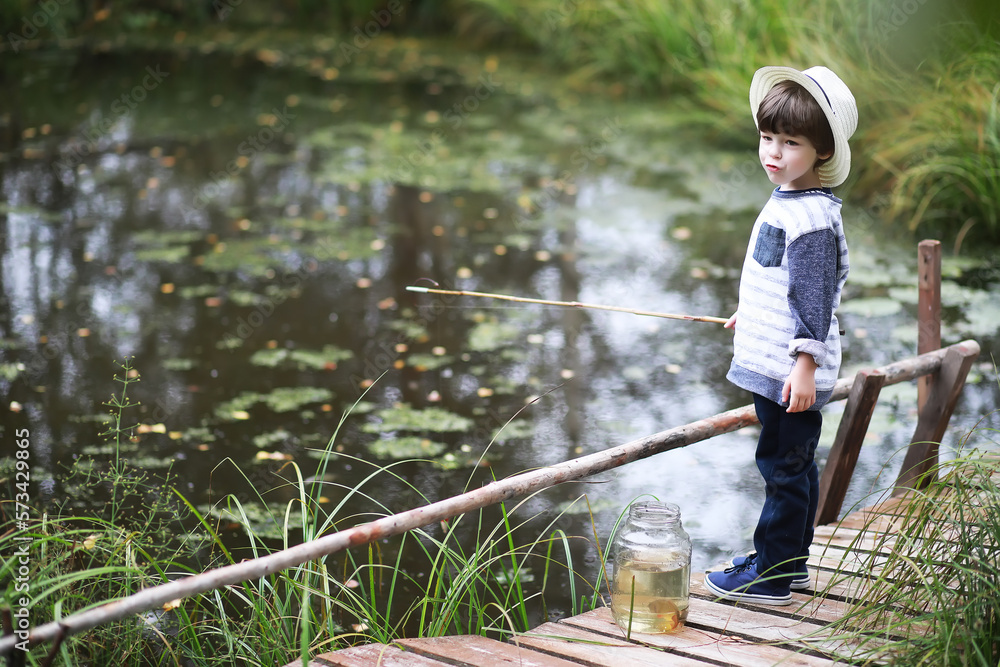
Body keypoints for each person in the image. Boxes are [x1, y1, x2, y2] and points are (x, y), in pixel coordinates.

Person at [705, 66, 858, 605]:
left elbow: (814, 299)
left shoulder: (811, 217)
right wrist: (750, 311)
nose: (773, 152)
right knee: (792, 463)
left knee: (782, 468)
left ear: (820, 151)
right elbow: (780, 280)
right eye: (767, 138)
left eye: (790, 142)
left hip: (790, 370)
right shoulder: (787, 198)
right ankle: (790, 563)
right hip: (776, 357)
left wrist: (805, 365)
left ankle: (771, 575)